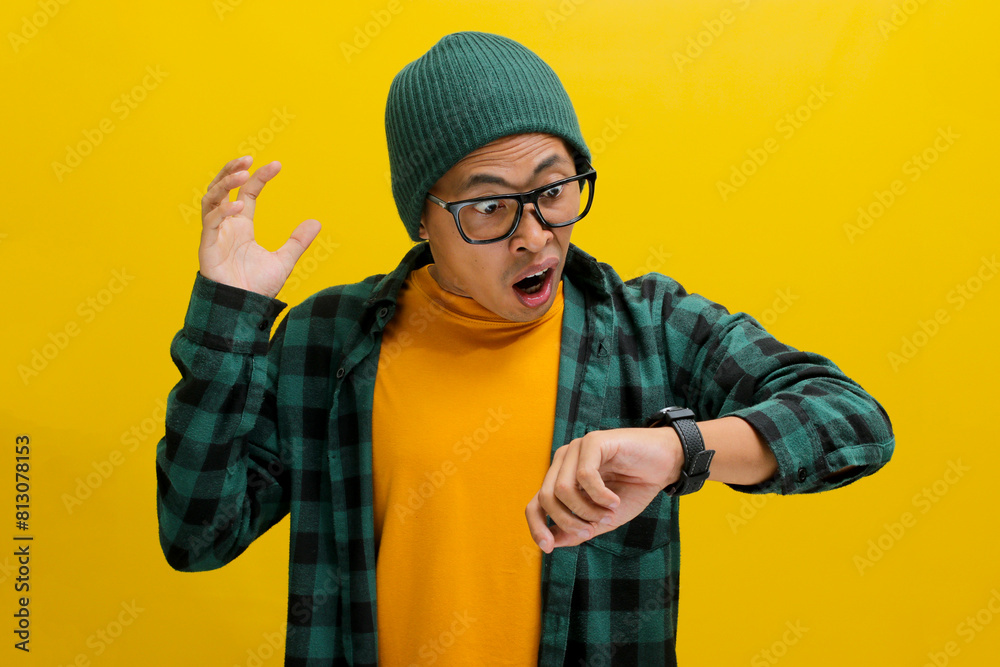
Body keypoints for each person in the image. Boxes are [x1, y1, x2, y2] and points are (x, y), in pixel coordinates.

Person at [156, 31, 894, 666]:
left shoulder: (649, 326)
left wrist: (679, 450)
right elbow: (197, 532)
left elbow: (853, 421)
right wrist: (230, 315)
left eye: (554, 189)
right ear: (422, 218)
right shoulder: (326, 341)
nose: (533, 232)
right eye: (487, 206)